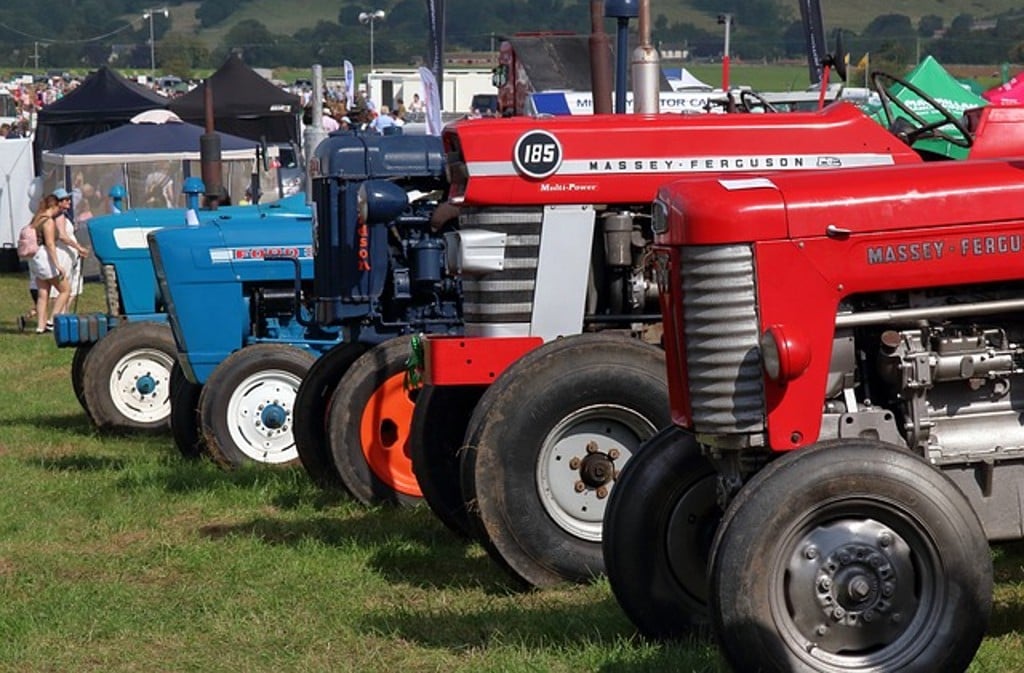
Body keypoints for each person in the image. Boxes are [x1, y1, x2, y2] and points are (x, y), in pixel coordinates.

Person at [27, 195, 70, 333]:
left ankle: (40, 326)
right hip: (45, 258)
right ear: (53, 206)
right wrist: (57, 265)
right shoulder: (48, 221)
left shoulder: (36, 219)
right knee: (65, 290)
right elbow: (50, 244)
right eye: (58, 207)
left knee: (43, 293)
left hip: (35, 259)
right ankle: (52, 320)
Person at [52, 187, 89, 305]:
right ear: (59, 202)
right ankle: (59, 312)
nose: (69, 201)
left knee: (73, 287)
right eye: (66, 199)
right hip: (62, 254)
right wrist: (78, 247)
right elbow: (62, 236)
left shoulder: (64, 215)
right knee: (63, 287)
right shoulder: (58, 216)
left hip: (70, 254)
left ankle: (64, 311)